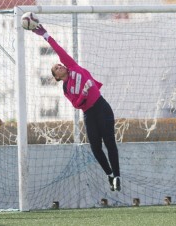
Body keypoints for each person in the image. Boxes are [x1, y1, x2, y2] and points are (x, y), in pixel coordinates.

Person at [32, 24, 121, 191]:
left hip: (101, 107)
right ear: (57, 77)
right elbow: (76, 104)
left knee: (109, 142)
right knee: (95, 147)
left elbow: (58, 50)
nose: (59, 66)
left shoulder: (72, 67)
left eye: (59, 65)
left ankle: (117, 176)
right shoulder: (66, 88)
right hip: (89, 114)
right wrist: (85, 92)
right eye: (56, 68)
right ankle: (109, 174)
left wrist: (44, 34)